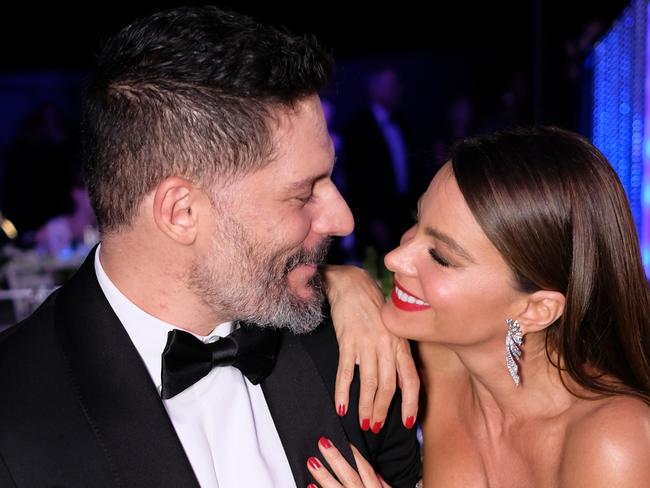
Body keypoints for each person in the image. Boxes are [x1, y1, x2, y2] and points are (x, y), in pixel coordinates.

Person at [0, 7, 421, 487]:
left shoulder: (354, 349)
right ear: (181, 213)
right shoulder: (14, 420)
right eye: (305, 192)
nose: (343, 218)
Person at [312, 127, 650, 487]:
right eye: (417, 221)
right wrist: (342, 281)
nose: (396, 258)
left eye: (441, 257)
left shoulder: (617, 440)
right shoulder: (425, 361)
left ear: (535, 309)